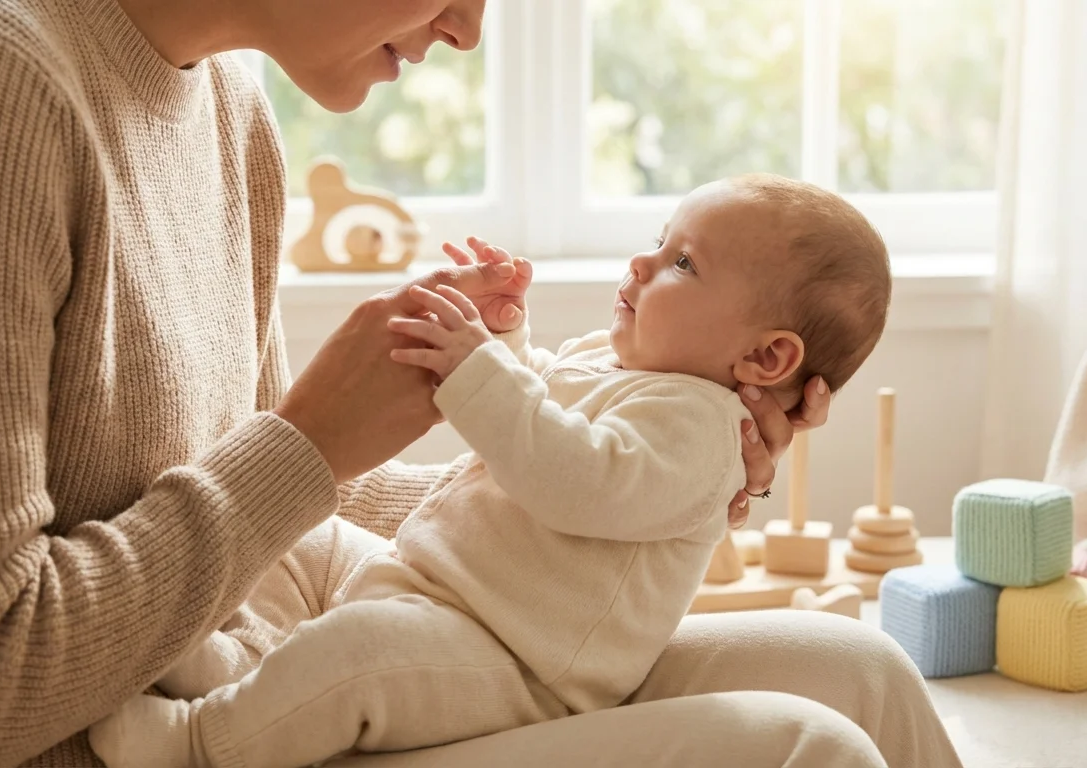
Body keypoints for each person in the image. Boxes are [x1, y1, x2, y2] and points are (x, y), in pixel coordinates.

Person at [0, 0, 962, 765]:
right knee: (807, 749)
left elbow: (272, 500)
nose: (471, 28)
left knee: (856, 669)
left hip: (267, 647)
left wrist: (662, 494)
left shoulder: (230, 111)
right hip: (119, 737)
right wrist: (312, 439)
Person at [87, 174, 901, 768]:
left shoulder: (703, 431)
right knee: (306, 537)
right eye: (659, 240)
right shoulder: (620, 361)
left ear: (767, 357)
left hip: (517, 661)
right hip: (442, 584)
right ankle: (249, 666)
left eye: (683, 264)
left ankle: (205, 744)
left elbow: (575, 478)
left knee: (359, 651)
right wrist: (504, 337)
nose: (640, 263)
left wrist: (478, 367)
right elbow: (537, 399)